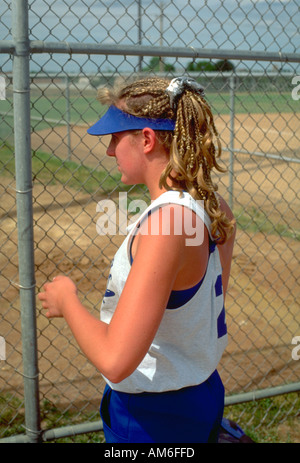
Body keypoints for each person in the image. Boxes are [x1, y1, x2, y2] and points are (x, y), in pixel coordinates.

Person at [38, 76, 236, 443]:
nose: (110, 150)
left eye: (116, 137)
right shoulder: (214, 206)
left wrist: (68, 300)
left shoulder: (166, 224)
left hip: (155, 417)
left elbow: (115, 359)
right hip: (201, 392)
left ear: (146, 139)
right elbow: (190, 317)